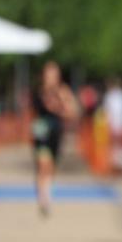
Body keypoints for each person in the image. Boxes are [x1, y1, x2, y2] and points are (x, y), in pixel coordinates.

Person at [31, 61, 78, 217]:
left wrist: (59, 108)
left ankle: (46, 193)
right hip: (41, 131)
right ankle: (43, 199)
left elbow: (73, 111)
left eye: (54, 74)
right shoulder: (38, 91)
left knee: (51, 167)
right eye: (48, 74)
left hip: (57, 131)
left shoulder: (63, 91)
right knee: (43, 164)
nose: (51, 77)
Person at [103, 77, 122, 172]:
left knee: (116, 145)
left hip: (115, 124)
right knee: (120, 145)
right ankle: (119, 165)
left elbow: (107, 112)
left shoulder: (110, 96)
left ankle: (118, 165)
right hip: (121, 123)